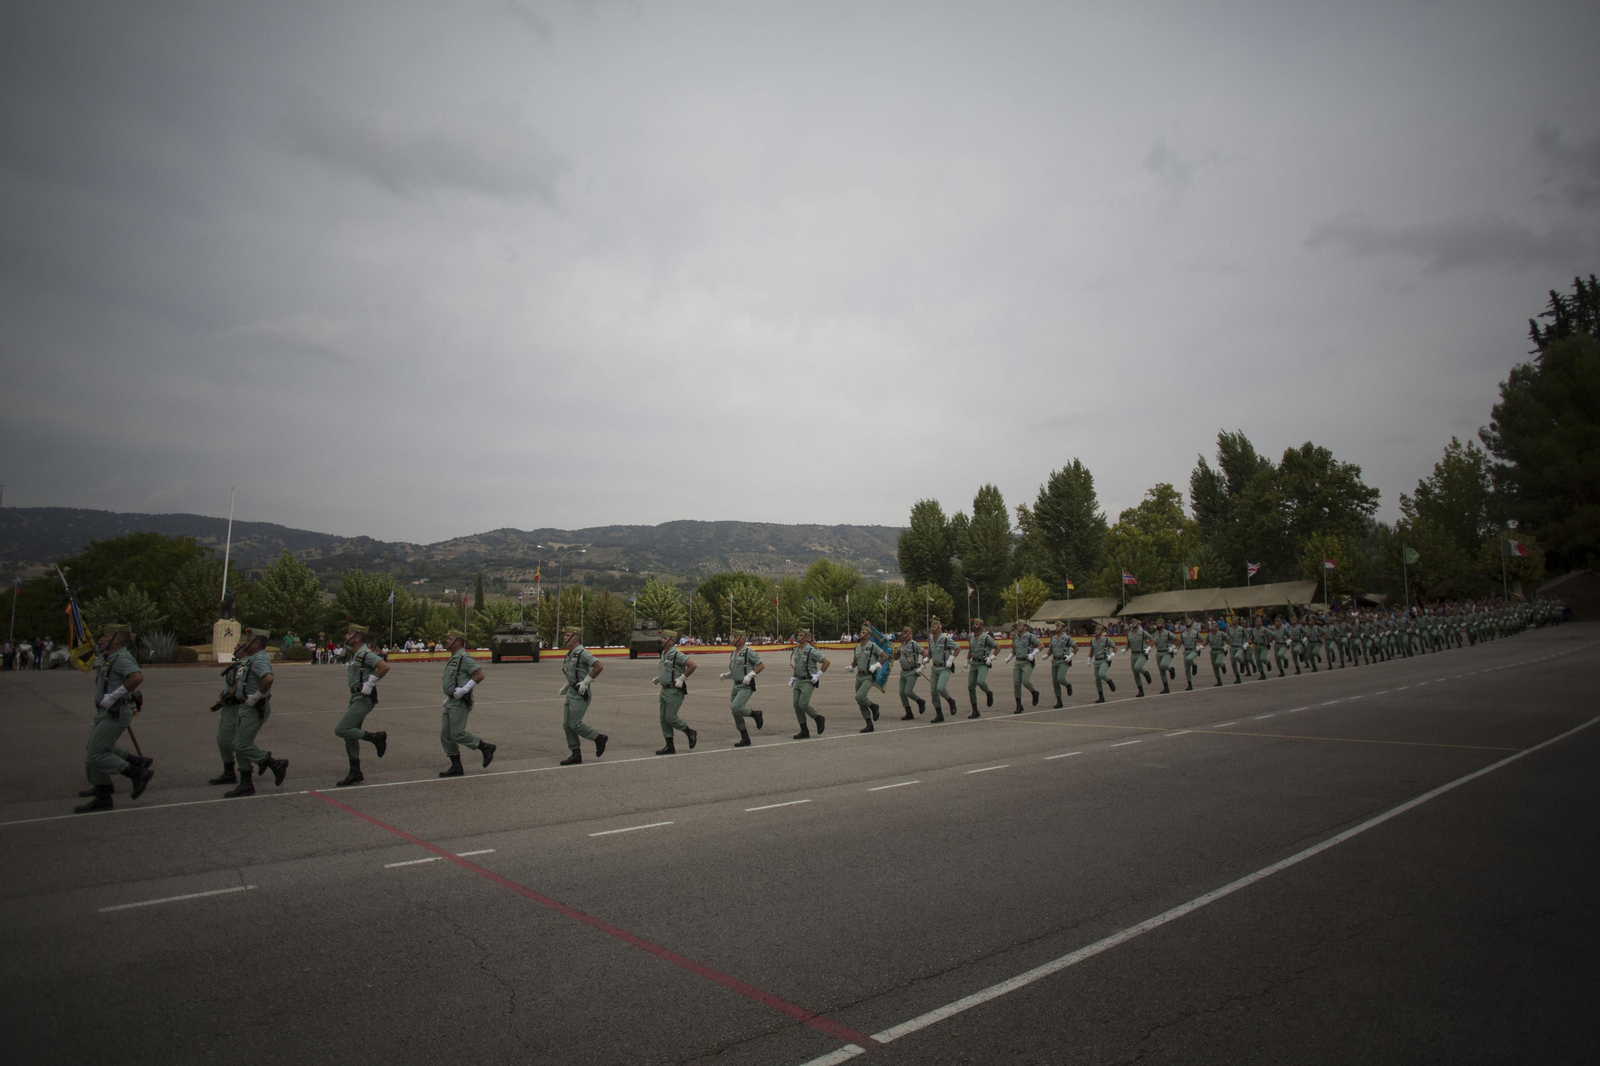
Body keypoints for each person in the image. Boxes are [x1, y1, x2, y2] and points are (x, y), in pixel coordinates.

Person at [74, 623, 155, 813]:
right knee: (95, 750)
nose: (101, 639)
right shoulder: (111, 658)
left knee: (95, 754)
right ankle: (103, 789)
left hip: (115, 711)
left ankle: (136, 773)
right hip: (107, 711)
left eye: (105, 636)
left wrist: (113, 695)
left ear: (117, 639)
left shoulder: (122, 658)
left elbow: (136, 677)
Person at [220, 627, 287, 796]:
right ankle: (246, 783)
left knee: (241, 744)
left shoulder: (258, 660)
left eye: (249, 641)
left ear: (257, 644)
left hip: (254, 707)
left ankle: (274, 763)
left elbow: (268, 678)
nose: (245, 644)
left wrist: (256, 696)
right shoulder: (252, 659)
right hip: (246, 706)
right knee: (238, 744)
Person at [333, 623, 389, 787]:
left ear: (357, 638)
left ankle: (376, 738)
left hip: (364, 697)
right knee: (350, 735)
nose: (345, 636)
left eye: (349, 634)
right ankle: (355, 772)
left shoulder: (365, 653)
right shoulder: (355, 652)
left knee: (342, 729)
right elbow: (344, 649)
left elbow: (384, 666)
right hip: (355, 696)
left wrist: (370, 683)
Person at [439, 628, 495, 776]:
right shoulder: (454, 657)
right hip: (452, 701)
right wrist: (449, 696)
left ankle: (485, 747)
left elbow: (479, 675)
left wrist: (464, 690)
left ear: (458, 642)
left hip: (460, 701)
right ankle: (456, 766)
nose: (447, 641)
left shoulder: (464, 657)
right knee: (445, 734)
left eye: (450, 639)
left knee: (457, 734)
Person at [559, 626, 608, 765]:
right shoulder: (570, 653)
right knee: (567, 725)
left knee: (574, 724)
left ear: (575, 638)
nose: (564, 637)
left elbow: (598, 666)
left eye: (567, 635)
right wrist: (567, 685)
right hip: (572, 692)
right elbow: (572, 673)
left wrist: (586, 681)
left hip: (581, 693)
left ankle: (598, 737)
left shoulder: (582, 653)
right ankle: (575, 754)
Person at [653, 629, 698, 754]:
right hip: (664, 689)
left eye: (664, 638)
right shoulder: (664, 654)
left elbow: (692, 665)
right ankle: (669, 745)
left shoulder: (677, 654)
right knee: (663, 718)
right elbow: (667, 670)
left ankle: (689, 732)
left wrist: (682, 678)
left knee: (670, 717)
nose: (662, 639)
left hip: (674, 690)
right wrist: (660, 678)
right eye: (662, 638)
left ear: (671, 640)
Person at [719, 631, 765, 746]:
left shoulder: (748, 652)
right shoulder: (733, 653)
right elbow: (736, 670)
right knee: (735, 712)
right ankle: (745, 737)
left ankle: (756, 714)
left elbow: (761, 665)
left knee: (736, 707)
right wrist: (727, 675)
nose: (732, 639)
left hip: (746, 686)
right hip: (736, 685)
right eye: (732, 637)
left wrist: (750, 675)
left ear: (743, 639)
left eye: (735, 637)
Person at [788, 629, 829, 738]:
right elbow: (797, 666)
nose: (798, 636)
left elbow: (826, 662)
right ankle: (804, 730)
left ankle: (818, 718)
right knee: (796, 704)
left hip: (808, 680)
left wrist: (818, 675)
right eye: (798, 634)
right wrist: (793, 677)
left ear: (807, 638)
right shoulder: (796, 650)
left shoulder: (811, 651)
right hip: (798, 680)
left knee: (803, 704)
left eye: (801, 635)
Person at [849, 624, 890, 732]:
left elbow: (885, 656)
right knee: (860, 701)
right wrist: (851, 666)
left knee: (859, 697)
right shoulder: (857, 648)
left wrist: (876, 665)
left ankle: (873, 706)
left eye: (863, 632)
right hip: (859, 676)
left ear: (868, 635)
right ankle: (869, 724)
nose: (860, 634)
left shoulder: (873, 646)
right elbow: (856, 661)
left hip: (868, 676)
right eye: (860, 632)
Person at [927, 619, 960, 722]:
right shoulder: (931, 640)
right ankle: (939, 714)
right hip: (935, 668)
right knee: (933, 692)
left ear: (939, 627)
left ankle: (951, 701)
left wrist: (951, 659)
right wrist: (925, 659)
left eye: (934, 627)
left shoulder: (945, 639)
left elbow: (957, 648)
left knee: (940, 688)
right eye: (931, 627)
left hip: (944, 668)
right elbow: (929, 653)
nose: (932, 628)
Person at [966, 620, 998, 718]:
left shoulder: (986, 637)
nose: (975, 626)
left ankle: (988, 693)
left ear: (981, 626)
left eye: (977, 624)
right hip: (974, 663)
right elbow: (971, 649)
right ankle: (975, 710)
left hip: (982, 663)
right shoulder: (971, 638)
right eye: (974, 624)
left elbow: (998, 648)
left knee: (980, 681)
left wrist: (991, 658)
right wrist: (967, 660)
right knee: (971, 687)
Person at [1009, 621, 1041, 713]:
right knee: (1016, 684)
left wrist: (1033, 654)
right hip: (1018, 661)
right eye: (1017, 626)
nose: (1018, 627)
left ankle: (1034, 692)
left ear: (1025, 627)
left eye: (1020, 625)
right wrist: (1010, 657)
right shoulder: (1015, 636)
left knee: (1026, 681)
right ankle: (1019, 705)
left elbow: (1041, 645)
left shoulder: (1030, 636)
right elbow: (1014, 649)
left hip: (1027, 661)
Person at [895, 627, 926, 719]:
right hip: (903, 671)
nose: (904, 636)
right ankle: (908, 711)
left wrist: (922, 667)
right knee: (901, 692)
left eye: (906, 634)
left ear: (911, 635)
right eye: (903, 634)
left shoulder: (914, 644)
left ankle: (920, 701)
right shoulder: (901, 645)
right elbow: (896, 658)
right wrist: (895, 653)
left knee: (908, 691)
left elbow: (925, 654)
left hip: (912, 671)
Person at [1047, 621, 1075, 706]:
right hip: (1055, 661)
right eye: (1056, 626)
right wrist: (1046, 655)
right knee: (1055, 681)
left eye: (1059, 626)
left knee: (1060, 678)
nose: (1057, 627)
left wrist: (1070, 656)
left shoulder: (1067, 638)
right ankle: (1059, 700)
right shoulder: (1053, 638)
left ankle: (1068, 685)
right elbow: (1051, 649)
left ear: (1063, 628)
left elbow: (1076, 648)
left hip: (1063, 661)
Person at [1126, 619, 1154, 697]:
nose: (1133, 624)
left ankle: (1145, 673)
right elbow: (1128, 644)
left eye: (1135, 623)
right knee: (1135, 673)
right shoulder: (1129, 634)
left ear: (1138, 624)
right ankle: (1141, 691)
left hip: (1141, 653)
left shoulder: (1142, 633)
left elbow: (1153, 640)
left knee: (1137, 667)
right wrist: (1125, 649)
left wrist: (1148, 648)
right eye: (1132, 623)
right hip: (1133, 654)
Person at [1089, 624, 1117, 703]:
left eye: (1098, 630)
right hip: (1096, 661)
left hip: (1104, 660)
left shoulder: (1106, 640)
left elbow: (1115, 648)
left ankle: (1109, 681)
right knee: (1097, 680)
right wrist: (1088, 659)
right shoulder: (1093, 641)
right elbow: (1091, 651)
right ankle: (1101, 697)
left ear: (1101, 631)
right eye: (1096, 630)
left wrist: (1111, 655)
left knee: (1101, 674)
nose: (1096, 631)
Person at [1152, 618, 1175, 695]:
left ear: (1163, 625)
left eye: (1160, 623)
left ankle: (1171, 669)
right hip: (1158, 653)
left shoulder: (1168, 633)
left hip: (1166, 652)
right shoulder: (1154, 634)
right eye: (1157, 623)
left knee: (1163, 665)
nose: (1158, 625)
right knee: (1161, 671)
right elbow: (1153, 642)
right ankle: (1166, 687)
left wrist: (1173, 647)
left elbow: (1178, 640)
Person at [1180, 617, 1201, 691]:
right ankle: (1189, 684)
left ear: (1191, 623)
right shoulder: (1183, 633)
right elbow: (1180, 642)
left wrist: (1200, 646)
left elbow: (1203, 639)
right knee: (1187, 669)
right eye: (1186, 622)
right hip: (1186, 650)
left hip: (1193, 650)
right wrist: (1175, 648)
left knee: (1189, 659)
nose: (1187, 623)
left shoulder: (1195, 632)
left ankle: (1194, 665)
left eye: (1189, 622)